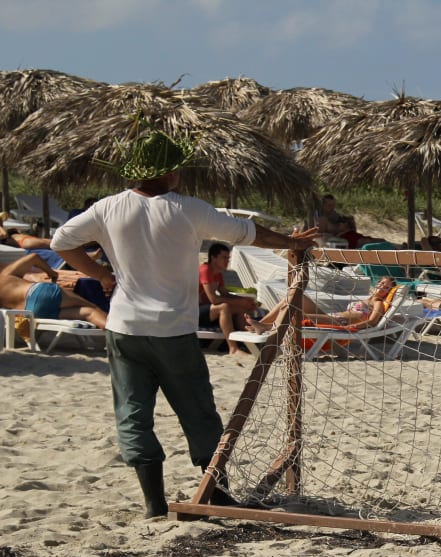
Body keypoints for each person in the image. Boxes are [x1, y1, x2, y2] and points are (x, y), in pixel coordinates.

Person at [50, 128, 318, 519]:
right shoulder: (188, 209)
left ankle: (154, 504)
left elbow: (61, 242)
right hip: (173, 330)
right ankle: (217, 495)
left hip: (125, 328)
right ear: (170, 173)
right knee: (197, 410)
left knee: (133, 413)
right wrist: (292, 243)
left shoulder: (108, 208)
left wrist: (103, 275)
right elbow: (249, 233)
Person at [246, 277, 397, 333]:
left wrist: (353, 327)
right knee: (293, 296)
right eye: (381, 283)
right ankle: (260, 323)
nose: (382, 287)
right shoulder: (367, 299)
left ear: (387, 293)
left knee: (297, 314)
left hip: (341, 322)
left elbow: (373, 321)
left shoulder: (378, 303)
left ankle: (267, 327)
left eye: (386, 287)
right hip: (331, 316)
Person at [0, 253, 107, 329]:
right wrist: (51, 273)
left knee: (88, 313)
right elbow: (34, 257)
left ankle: (112, 332)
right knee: (94, 308)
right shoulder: (4, 275)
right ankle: (114, 332)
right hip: (37, 292)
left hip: (32, 312)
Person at [199, 242, 257, 355]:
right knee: (224, 307)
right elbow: (214, 299)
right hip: (194, 312)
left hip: (208, 310)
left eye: (228, 258)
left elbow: (225, 294)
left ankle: (247, 343)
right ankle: (233, 348)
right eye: (224, 258)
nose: (227, 261)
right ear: (213, 258)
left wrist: (245, 301)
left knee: (240, 308)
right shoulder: (205, 270)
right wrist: (239, 301)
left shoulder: (218, 273)